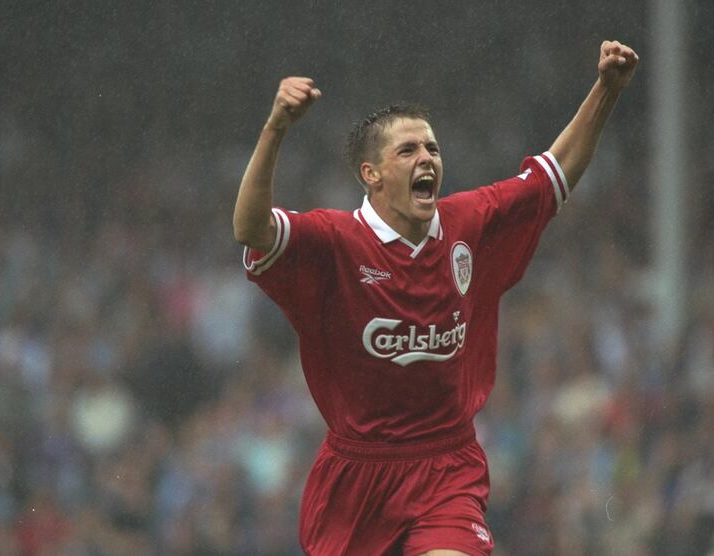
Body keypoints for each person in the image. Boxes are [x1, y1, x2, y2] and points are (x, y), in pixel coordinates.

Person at [233, 40, 639, 556]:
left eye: (432, 149)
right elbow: (250, 227)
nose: (426, 158)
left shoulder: (471, 221)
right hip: (357, 479)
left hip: (447, 467)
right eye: (408, 150)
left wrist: (607, 90)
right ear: (371, 174)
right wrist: (275, 129)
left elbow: (554, 175)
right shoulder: (333, 242)